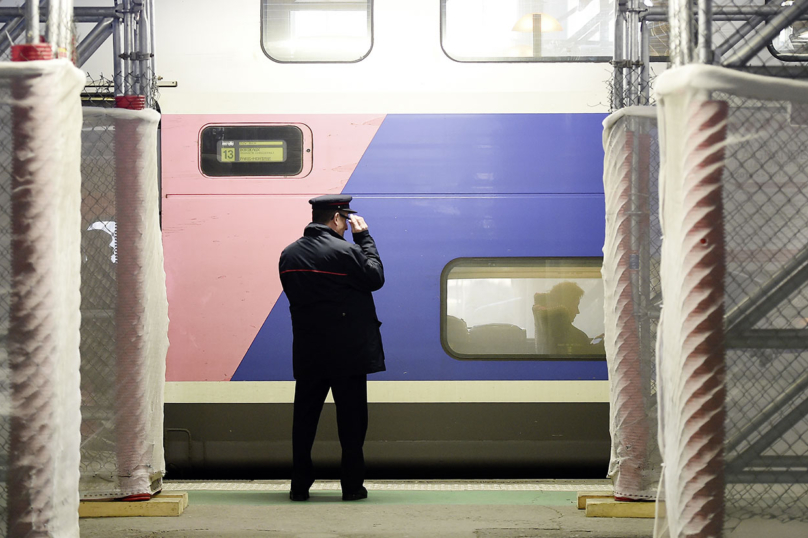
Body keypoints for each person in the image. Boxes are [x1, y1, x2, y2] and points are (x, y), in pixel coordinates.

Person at [279, 194, 386, 502]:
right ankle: (351, 486)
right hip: (347, 354)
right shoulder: (346, 250)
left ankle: (299, 485)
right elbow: (375, 277)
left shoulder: (288, 255)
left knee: (304, 421)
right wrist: (364, 237)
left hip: (309, 352)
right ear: (338, 219)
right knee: (352, 424)